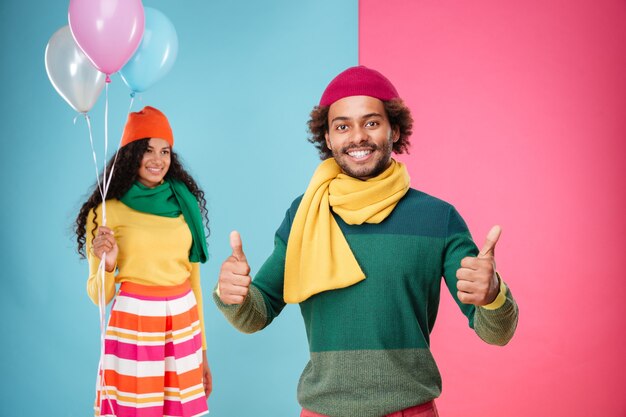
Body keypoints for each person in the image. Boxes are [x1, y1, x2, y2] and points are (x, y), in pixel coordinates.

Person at [214, 66, 519, 417]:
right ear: (327, 138)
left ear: (395, 129)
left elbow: (497, 333)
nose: (357, 137)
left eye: (371, 123)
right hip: (322, 411)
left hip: (410, 410)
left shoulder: (438, 218)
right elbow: (255, 315)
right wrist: (231, 294)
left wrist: (494, 295)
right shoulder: (304, 213)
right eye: (342, 126)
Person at [75, 106, 211, 417]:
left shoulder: (183, 203)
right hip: (133, 323)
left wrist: (203, 351)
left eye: (165, 151)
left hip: (183, 321)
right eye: (147, 150)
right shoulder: (107, 211)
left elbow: (195, 284)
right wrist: (107, 265)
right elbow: (98, 296)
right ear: (131, 153)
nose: (158, 160)